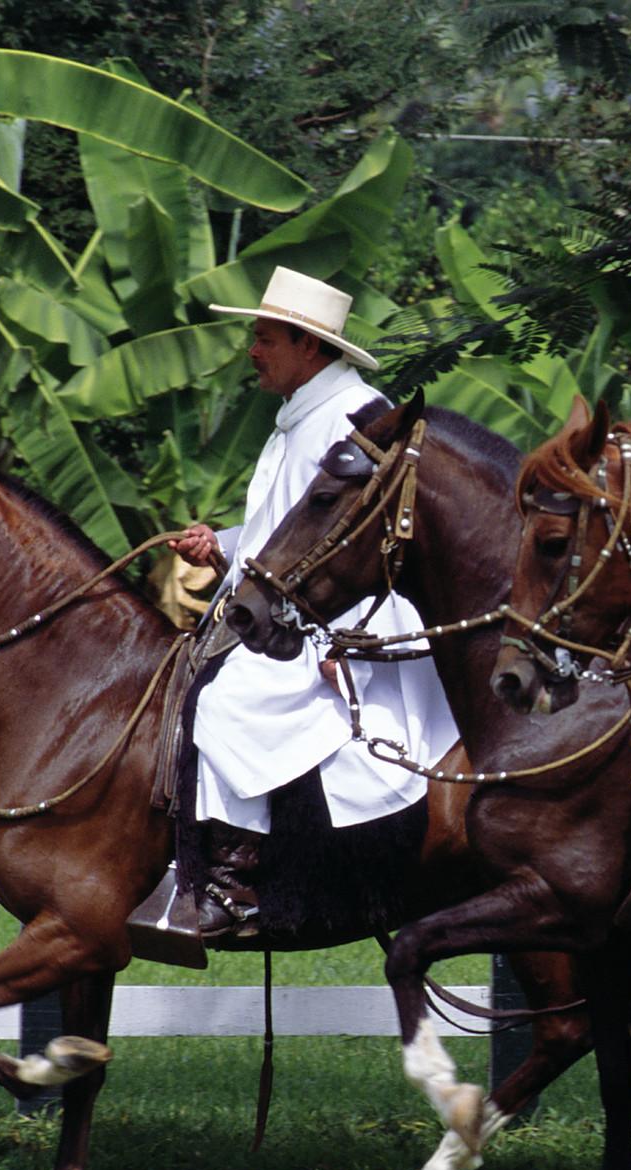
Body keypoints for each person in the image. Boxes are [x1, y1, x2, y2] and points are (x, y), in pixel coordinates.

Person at [169, 267, 458, 936]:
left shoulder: (356, 416)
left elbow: (375, 540)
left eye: (266, 338)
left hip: (334, 628)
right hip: (285, 615)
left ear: (309, 346)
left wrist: (354, 640)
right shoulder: (298, 418)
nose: (254, 350)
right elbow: (288, 533)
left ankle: (235, 881)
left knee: (222, 699)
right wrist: (223, 542)